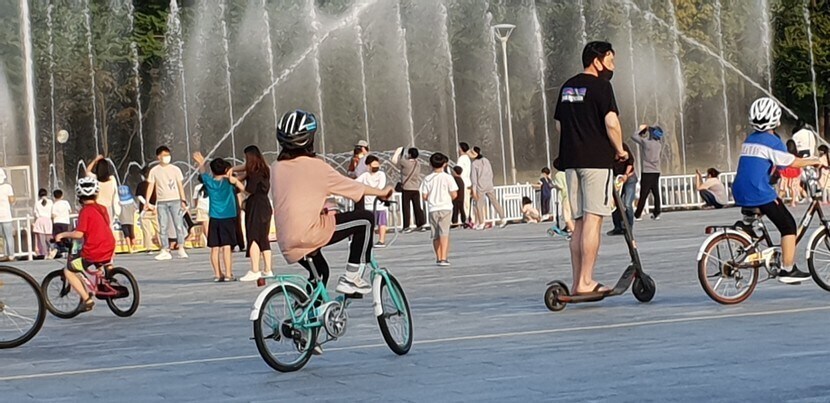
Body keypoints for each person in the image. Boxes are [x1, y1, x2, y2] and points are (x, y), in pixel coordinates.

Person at [271, 109, 393, 296]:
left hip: (286, 240)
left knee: (320, 273)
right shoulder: (317, 167)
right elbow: (353, 187)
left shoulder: (276, 167)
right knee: (365, 220)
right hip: (310, 234)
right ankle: (352, 277)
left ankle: (309, 310)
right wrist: (382, 192)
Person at [553, 41, 626, 295]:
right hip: (596, 162)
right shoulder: (602, 87)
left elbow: (560, 126)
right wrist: (620, 150)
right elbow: (611, 123)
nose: (613, 66)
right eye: (610, 60)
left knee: (579, 223)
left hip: (571, 162)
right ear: (597, 61)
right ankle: (586, 281)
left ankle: (577, 282)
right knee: (593, 221)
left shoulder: (567, 86)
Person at [733, 97, 821, 283]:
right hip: (759, 191)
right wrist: (816, 160)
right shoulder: (773, 141)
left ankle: (746, 227)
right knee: (788, 225)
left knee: (765, 210)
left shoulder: (750, 139)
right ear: (776, 119)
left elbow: (772, 166)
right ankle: (788, 269)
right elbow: (791, 162)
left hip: (739, 190)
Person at [55, 177, 116, 313]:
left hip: (94, 250)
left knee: (69, 270)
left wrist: (62, 235)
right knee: (103, 262)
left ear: (79, 196)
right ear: (96, 194)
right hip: (109, 245)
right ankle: (109, 278)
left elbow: (79, 234)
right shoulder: (102, 208)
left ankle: (87, 300)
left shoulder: (85, 211)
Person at [194, 152, 246, 282]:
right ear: (226, 169)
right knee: (227, 247)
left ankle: (218, 274)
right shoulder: (229, 182)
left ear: (212, 171)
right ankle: (228, 274)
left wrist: (201, 163)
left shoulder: (209, 182)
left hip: (214, 217)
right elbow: (243, 189)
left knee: (215, 248)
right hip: (228, 217)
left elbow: (202, 173)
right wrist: (234, 180)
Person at [233, 146, 275, 282]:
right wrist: (232, 170)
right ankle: (268, 269)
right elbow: (245, 168)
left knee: (253, 237)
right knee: (263, 237)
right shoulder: (264, 169)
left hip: (255, 206)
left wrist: (236, 182)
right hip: (265, 205)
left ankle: (255, 270)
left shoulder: (254, 173)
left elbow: (248, 190)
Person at [145, 146, 189, 260]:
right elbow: (151, 186)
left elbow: (180, 186)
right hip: (161, 202)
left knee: (178, 225)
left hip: (175, 200)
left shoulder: (175, 169)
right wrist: (147, 201)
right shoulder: (154, 171)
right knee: (163, 226)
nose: (167, 157)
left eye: (168, 155)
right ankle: (165, 249)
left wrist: (183, 200)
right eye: (164, 155)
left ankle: (181, 247)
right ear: (158, 157)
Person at [421, 153, 458, 266]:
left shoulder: (427, 179)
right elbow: (454, 194)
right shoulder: (448, 177)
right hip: (446, 207)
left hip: (433, 208)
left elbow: (424, 196)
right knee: (444, 233)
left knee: (435, 234)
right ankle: (444, 257)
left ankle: (438, 257)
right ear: (444, 164)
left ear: (430, 164)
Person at [356, 155, 389, 248]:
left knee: (381, 222)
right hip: (368, 204)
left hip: (379, 203)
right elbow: (355, 182)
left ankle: (381, 240)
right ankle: (369, 240)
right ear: (368, 166)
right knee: (370, 224)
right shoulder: (364, 175)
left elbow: (381, 186)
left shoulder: (381, 174)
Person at [632, 124, 664, 221]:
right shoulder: (659, 145)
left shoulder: (646, 143)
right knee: (655, 192)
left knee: (644, 193)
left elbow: (634, 136)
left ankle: (638, 214)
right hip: (656, 171)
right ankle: (657, 212)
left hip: (647, 171)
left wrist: (641, 130)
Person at [470, 146, 507, 229]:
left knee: (479, 205)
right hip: (489, 184)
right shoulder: (486, 160)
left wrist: (474, 190)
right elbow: (491, 173)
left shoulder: (474, 164)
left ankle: (481, 222)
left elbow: (474, 178)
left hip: (480, 186)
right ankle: (503, 217)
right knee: (494, 201)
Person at [608, 142, 637, 236]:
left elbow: (630, 162)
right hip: (617, 179)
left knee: (627, 203)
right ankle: (618, 227)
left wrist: (626, 175)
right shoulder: (608, 150)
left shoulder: (623, 146)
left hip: (629, 178)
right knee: (616, 203)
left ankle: (628, 227)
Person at [396, 147, 427, 232]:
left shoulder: (405, 163)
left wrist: (400, 153)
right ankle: (420, 224)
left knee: (406, 207)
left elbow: (397, 162)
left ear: (410, 154)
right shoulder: (418, 164)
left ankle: (406, 226)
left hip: (406, 188)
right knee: (417, 207)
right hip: (416, 188)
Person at [85, 155, 121, 225]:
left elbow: (87, 171)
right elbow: (115, 193)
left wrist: (95, 160)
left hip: (98, 207)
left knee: (98, 226)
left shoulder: (95, 179)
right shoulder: (112, 179)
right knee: (108, 227)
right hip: (108, 208)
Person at [136, 166, 159, 252]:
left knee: (146, 230)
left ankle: (149, 248)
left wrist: (147, 204)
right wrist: (154, 206)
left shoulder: (140, 185)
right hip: (155, 210)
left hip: (144, 210)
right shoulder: (156, 184)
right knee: (159, 229)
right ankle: (163, 245)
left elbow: (139, 196)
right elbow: (159, 196)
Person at [779, 140, 804, 206]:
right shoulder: (797, 155)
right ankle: (793, 202)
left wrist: (780, 172)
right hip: (795, 173)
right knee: (793, 188)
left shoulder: (786, 154)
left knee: (783, 187)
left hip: (786, 172)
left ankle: (779, 201)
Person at [32, 188, 53, 258]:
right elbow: (52, 212)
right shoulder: (50, 202)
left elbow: (35, 213)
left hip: (40, 220)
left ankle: (45, 253)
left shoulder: (37, 203)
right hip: (48, 220)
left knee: (42, 239)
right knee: (49, 238)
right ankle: (52, 250)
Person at [51, 189, 72, 258]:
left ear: (54, 197)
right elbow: (70, 211)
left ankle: (60, 250)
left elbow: (53, 215)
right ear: (62, 196)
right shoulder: (66, 203)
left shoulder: (54, 204)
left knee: (58, 237)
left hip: (57, 222)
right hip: (65, 222)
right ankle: (67, 249)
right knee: (65, 236)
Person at [456, 142, 473, 225]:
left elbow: (458, 170)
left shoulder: (461, 159)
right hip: (467, 182)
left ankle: (465, 219)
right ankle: (467, 218)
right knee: (467, 202)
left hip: (463, 183)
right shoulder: (467, 158)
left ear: (461, 149)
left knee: (464, 202)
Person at [0, 169, 15, 261]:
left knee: (1, 237)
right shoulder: (7, 187)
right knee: (8, 236)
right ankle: (11, 255)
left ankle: (3, 253)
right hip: (6, 215)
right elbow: (12, 200)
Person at [118, 185, 138, 253]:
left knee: (126, 234)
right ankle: (134, 247)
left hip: (122, 220)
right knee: (132, 234)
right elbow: (135, 208)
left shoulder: (119, 202)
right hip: (131, 219)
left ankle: (129, 248)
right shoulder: (131, 201)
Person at [192, 178, 209, 248]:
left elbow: (195, 198)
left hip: (202, 207)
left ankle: (208, 239)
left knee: (205, 225)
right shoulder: (211, 186)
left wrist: (196, 206)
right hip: (211, 207)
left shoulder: (197, 187)